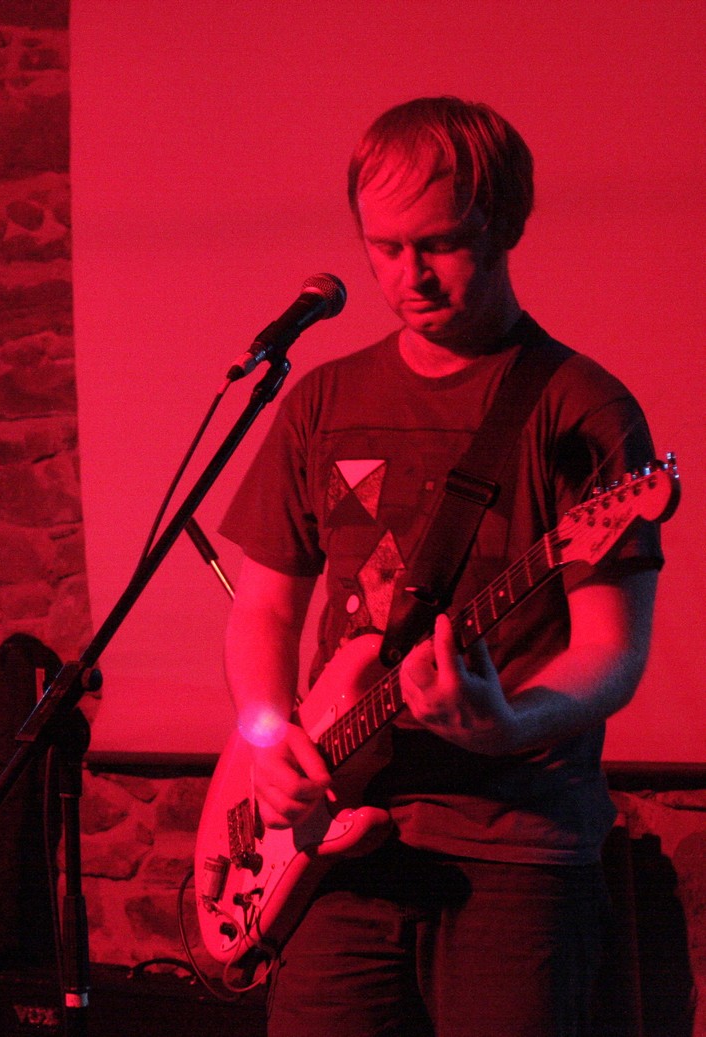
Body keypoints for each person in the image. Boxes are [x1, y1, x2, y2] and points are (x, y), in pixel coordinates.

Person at [217, 97, 663, 1036]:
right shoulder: (321, 399)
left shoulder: (581, 408)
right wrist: (264, 735)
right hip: (334, 848)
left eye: (440, 244)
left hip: (514, 851)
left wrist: (508, 723)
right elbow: (263, 608)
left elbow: (612, 652)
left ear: (504, 224)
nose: (408, 276)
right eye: (383, 247)